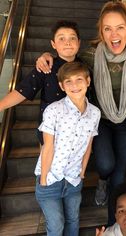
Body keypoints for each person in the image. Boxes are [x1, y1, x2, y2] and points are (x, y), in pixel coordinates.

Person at [35, 1, 126, 225]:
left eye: (120, 27)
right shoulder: (91, 54)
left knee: (121, 171)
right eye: (107, 28)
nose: (114, 34)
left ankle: (114, 224)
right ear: (101, 31)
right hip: (99, 119)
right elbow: (67, 58)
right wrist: (46, 55)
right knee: (105, 164)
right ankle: (103, 180)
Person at [35, 61, 101, 235]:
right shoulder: (53, 110)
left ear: (88, 81)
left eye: (79, 79)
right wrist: (44, 180)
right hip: (51, 178)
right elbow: (47, 146)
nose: (74, 85)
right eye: (68, 81)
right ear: (61, 86)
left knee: (73, 220)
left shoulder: (95, 113)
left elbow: (88, 145)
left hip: (73, 179)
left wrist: (82, 172)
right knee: (56, 225)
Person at [0, 20, 81, 144]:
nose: (68, 43)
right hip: (51, 131)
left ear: (79, 43)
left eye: (72, 38)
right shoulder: (46, 66)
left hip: (79, 129)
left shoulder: (86, 66)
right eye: (61, 39)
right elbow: (23, 91)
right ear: (53, 44)